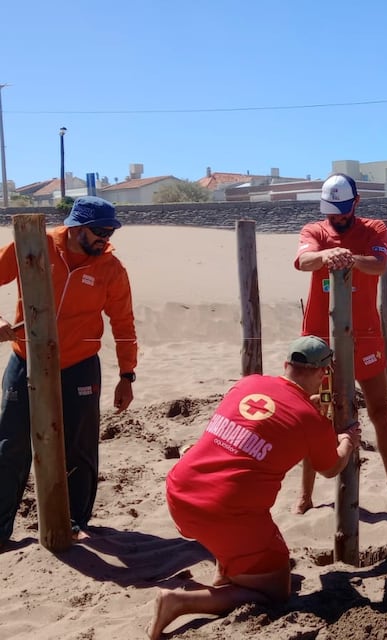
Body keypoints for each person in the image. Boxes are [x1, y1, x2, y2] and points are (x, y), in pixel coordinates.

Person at [148, 336, 360, 639]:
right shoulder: (311, 420)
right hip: (224, 511)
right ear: (322, 373)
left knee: (239, 519)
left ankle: (226, 574)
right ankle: (179, 602)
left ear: (286, 365)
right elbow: (330, 468)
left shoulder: (249, 383)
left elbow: (262, 421)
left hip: (181, 490)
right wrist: (347, 441)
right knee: (276, 590)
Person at [0, 196, 137, 545]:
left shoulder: (111, 268)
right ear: (76, 228)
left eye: (111, 231)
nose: (106, 238)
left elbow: (123, 323)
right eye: (99, 231)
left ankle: (76, 523)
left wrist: (127, 375)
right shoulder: (35, 244)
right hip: (26, 358)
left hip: (79, 364)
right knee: (10, 444)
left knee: (80, 447)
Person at [293, 172, 387, 511]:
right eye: (331, 212)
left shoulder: (374, 228)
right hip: (320, 341)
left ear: (356, 203)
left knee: (379, 411)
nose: (337, 218)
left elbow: (379, 264)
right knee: (315, 413)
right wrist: (327, 256)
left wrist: (347, 257)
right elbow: (303, 261)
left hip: (366, 338)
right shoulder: (314, 231)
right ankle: (305, 495)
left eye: (343, 211)